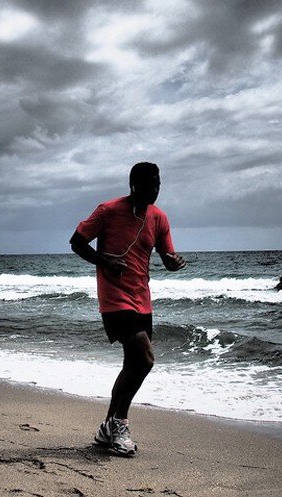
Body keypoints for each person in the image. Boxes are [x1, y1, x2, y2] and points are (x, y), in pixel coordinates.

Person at [70, 162, 186, 457]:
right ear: (134, 186)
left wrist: (172, 262)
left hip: (141, 299)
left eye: (159, 184)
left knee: (132, 365)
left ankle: (107, 429)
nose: (156, 190)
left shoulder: (159, 217)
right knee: (145, 359)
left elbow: (166, 253)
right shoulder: (108, 211)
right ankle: (120, 424)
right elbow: (77, 242)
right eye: (151, 185)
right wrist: (105, 261)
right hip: (114, 298)